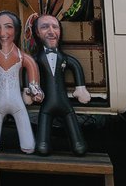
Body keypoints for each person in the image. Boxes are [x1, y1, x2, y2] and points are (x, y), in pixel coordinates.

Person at [0, 10, 40, 153]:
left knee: (28, 144)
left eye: (8, 26)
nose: (2, 32)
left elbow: (33, 79)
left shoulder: (23, 57)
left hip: (17, 102)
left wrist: (34, 90)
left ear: (16, 29)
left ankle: (27, 144)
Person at [29, 12, 92, 155]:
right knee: (44, 126)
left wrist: (80, 88)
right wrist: (30, 89)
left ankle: (78, 143)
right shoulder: (35, 59)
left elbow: (75, 65)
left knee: (71, 119)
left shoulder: (64, 58)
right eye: (45, 27)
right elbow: (29, 70)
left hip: (64, 101)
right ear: (37, 33)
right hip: (46, 102)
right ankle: (43, 143)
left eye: (55, 27)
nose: (51, 32)